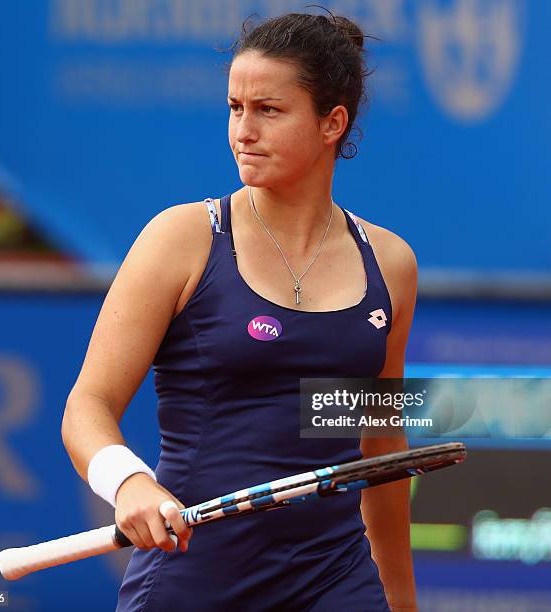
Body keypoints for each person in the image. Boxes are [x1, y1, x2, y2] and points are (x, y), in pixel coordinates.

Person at [61, 11, 418, 612]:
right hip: (192, 580)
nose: (242, 131)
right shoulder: (179, 238)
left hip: (337, 583)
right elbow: (85, 408)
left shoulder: (391, 263)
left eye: (268, 111)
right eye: (234, 108)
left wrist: (401, 600)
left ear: (333, 123)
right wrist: (129, 482)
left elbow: (381, 445)